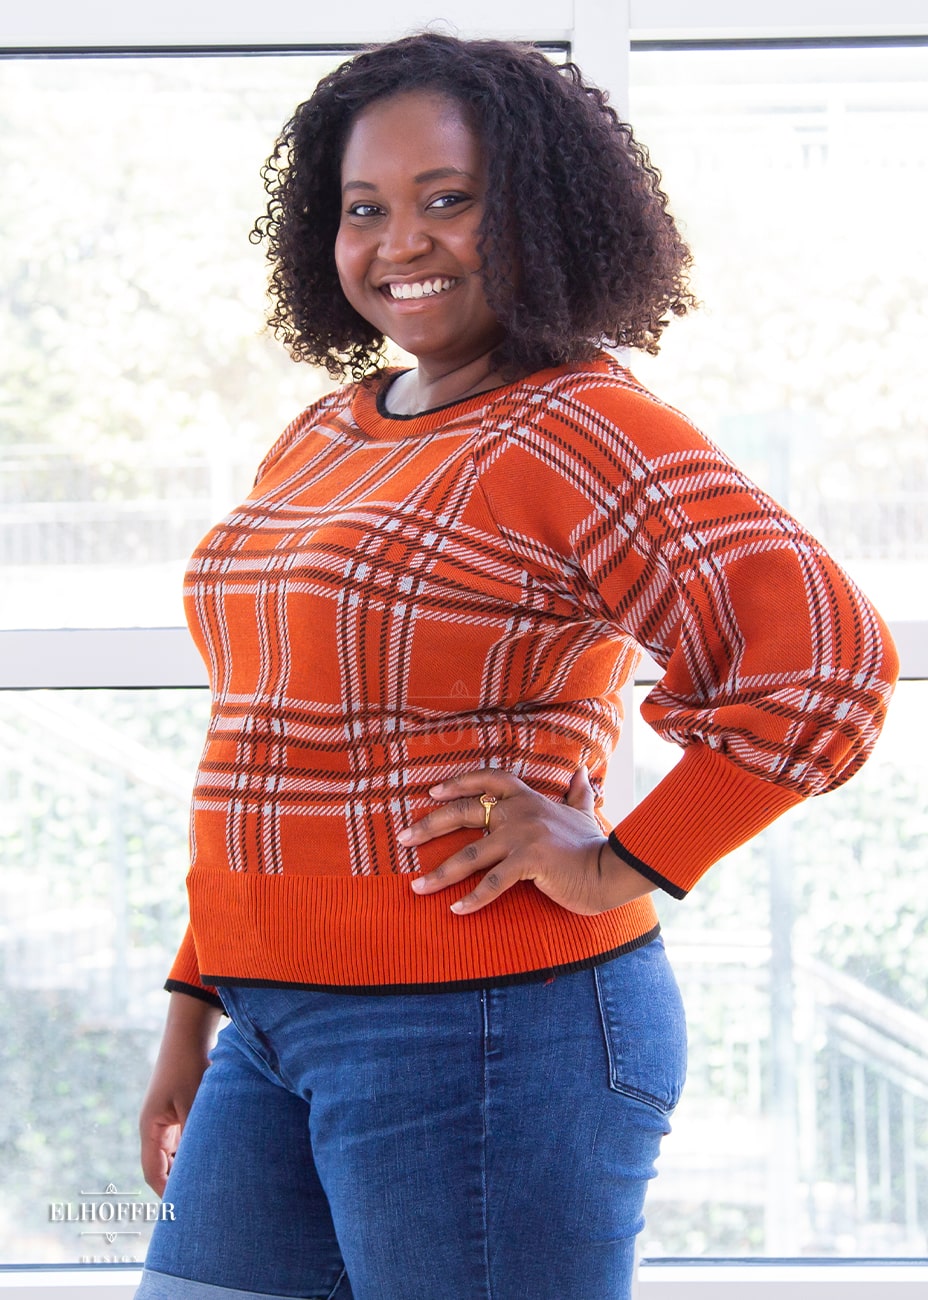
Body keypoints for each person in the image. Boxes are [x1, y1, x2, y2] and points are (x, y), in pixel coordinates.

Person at [135, 32, 898, 1300]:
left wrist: (619, 861)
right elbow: (275, 733)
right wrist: (192, 1011)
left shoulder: (584, 428)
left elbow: (823, 663)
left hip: (486, 1023)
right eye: (363, 209)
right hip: (266, 1023)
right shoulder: (329, 430)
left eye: (449, 200)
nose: (400, 243)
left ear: (542, 210)